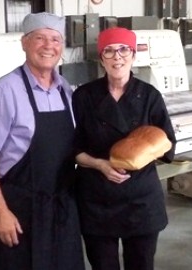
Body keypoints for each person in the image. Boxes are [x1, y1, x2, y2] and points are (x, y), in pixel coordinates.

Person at [0, 12, 85, 270]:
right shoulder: (5, 90)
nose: (48, 46)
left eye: (55, 39)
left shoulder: (65, 90)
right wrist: (0, 211)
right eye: (40, 38)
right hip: (17, 210)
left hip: (60, 209)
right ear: (24, 43)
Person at [72, 27, 177, 270]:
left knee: (141, 265)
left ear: (133, 55)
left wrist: (140, 153)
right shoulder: (83, 96)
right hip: (97, 199)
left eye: (123, 50)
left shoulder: (149, 95)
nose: (117, 57)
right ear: (101, 58)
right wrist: (100, 164)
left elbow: (167, 142)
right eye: (108, 51)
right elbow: (73, 147)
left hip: (140, 200)